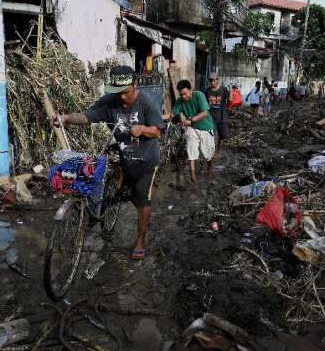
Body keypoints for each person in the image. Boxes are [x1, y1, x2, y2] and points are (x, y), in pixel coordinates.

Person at [54, 66, 164, 261]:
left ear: (134, 84)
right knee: (125, 194)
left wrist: (142, 129)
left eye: (125, 92)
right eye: (117, 92)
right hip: (125, 157)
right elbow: (88, 116)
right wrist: (66, 118)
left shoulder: (146, 102)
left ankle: (140, 240)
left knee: (142, 199)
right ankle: (112, 210)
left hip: (146, 160)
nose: (121, 97)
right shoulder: (110, 102)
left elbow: (157, 131)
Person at [171, 80, 215, 183]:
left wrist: (190, 120)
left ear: (190, 90)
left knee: (208, 153)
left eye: (185, 94)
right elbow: (172, 114)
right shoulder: (179, 101)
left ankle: (209, 167)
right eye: (181, 94)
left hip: (205, 127)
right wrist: (159, 117)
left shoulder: (199, 95)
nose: (183, 97)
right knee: (191, 150)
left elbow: (204, 113)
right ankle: (193, 176)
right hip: (192, 129)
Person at [204, 72, 229, 151]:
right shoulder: (207, 91)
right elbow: (205, 103)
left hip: (222, 116)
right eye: (210, 81)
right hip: (211, 116)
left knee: (223, 135)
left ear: (217, 80)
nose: (212, 82)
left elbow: (230, 101)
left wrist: (231, 90)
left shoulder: (223, 89)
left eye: (213, 80)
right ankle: (213, 150)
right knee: (213, 135)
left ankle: (219, 148)